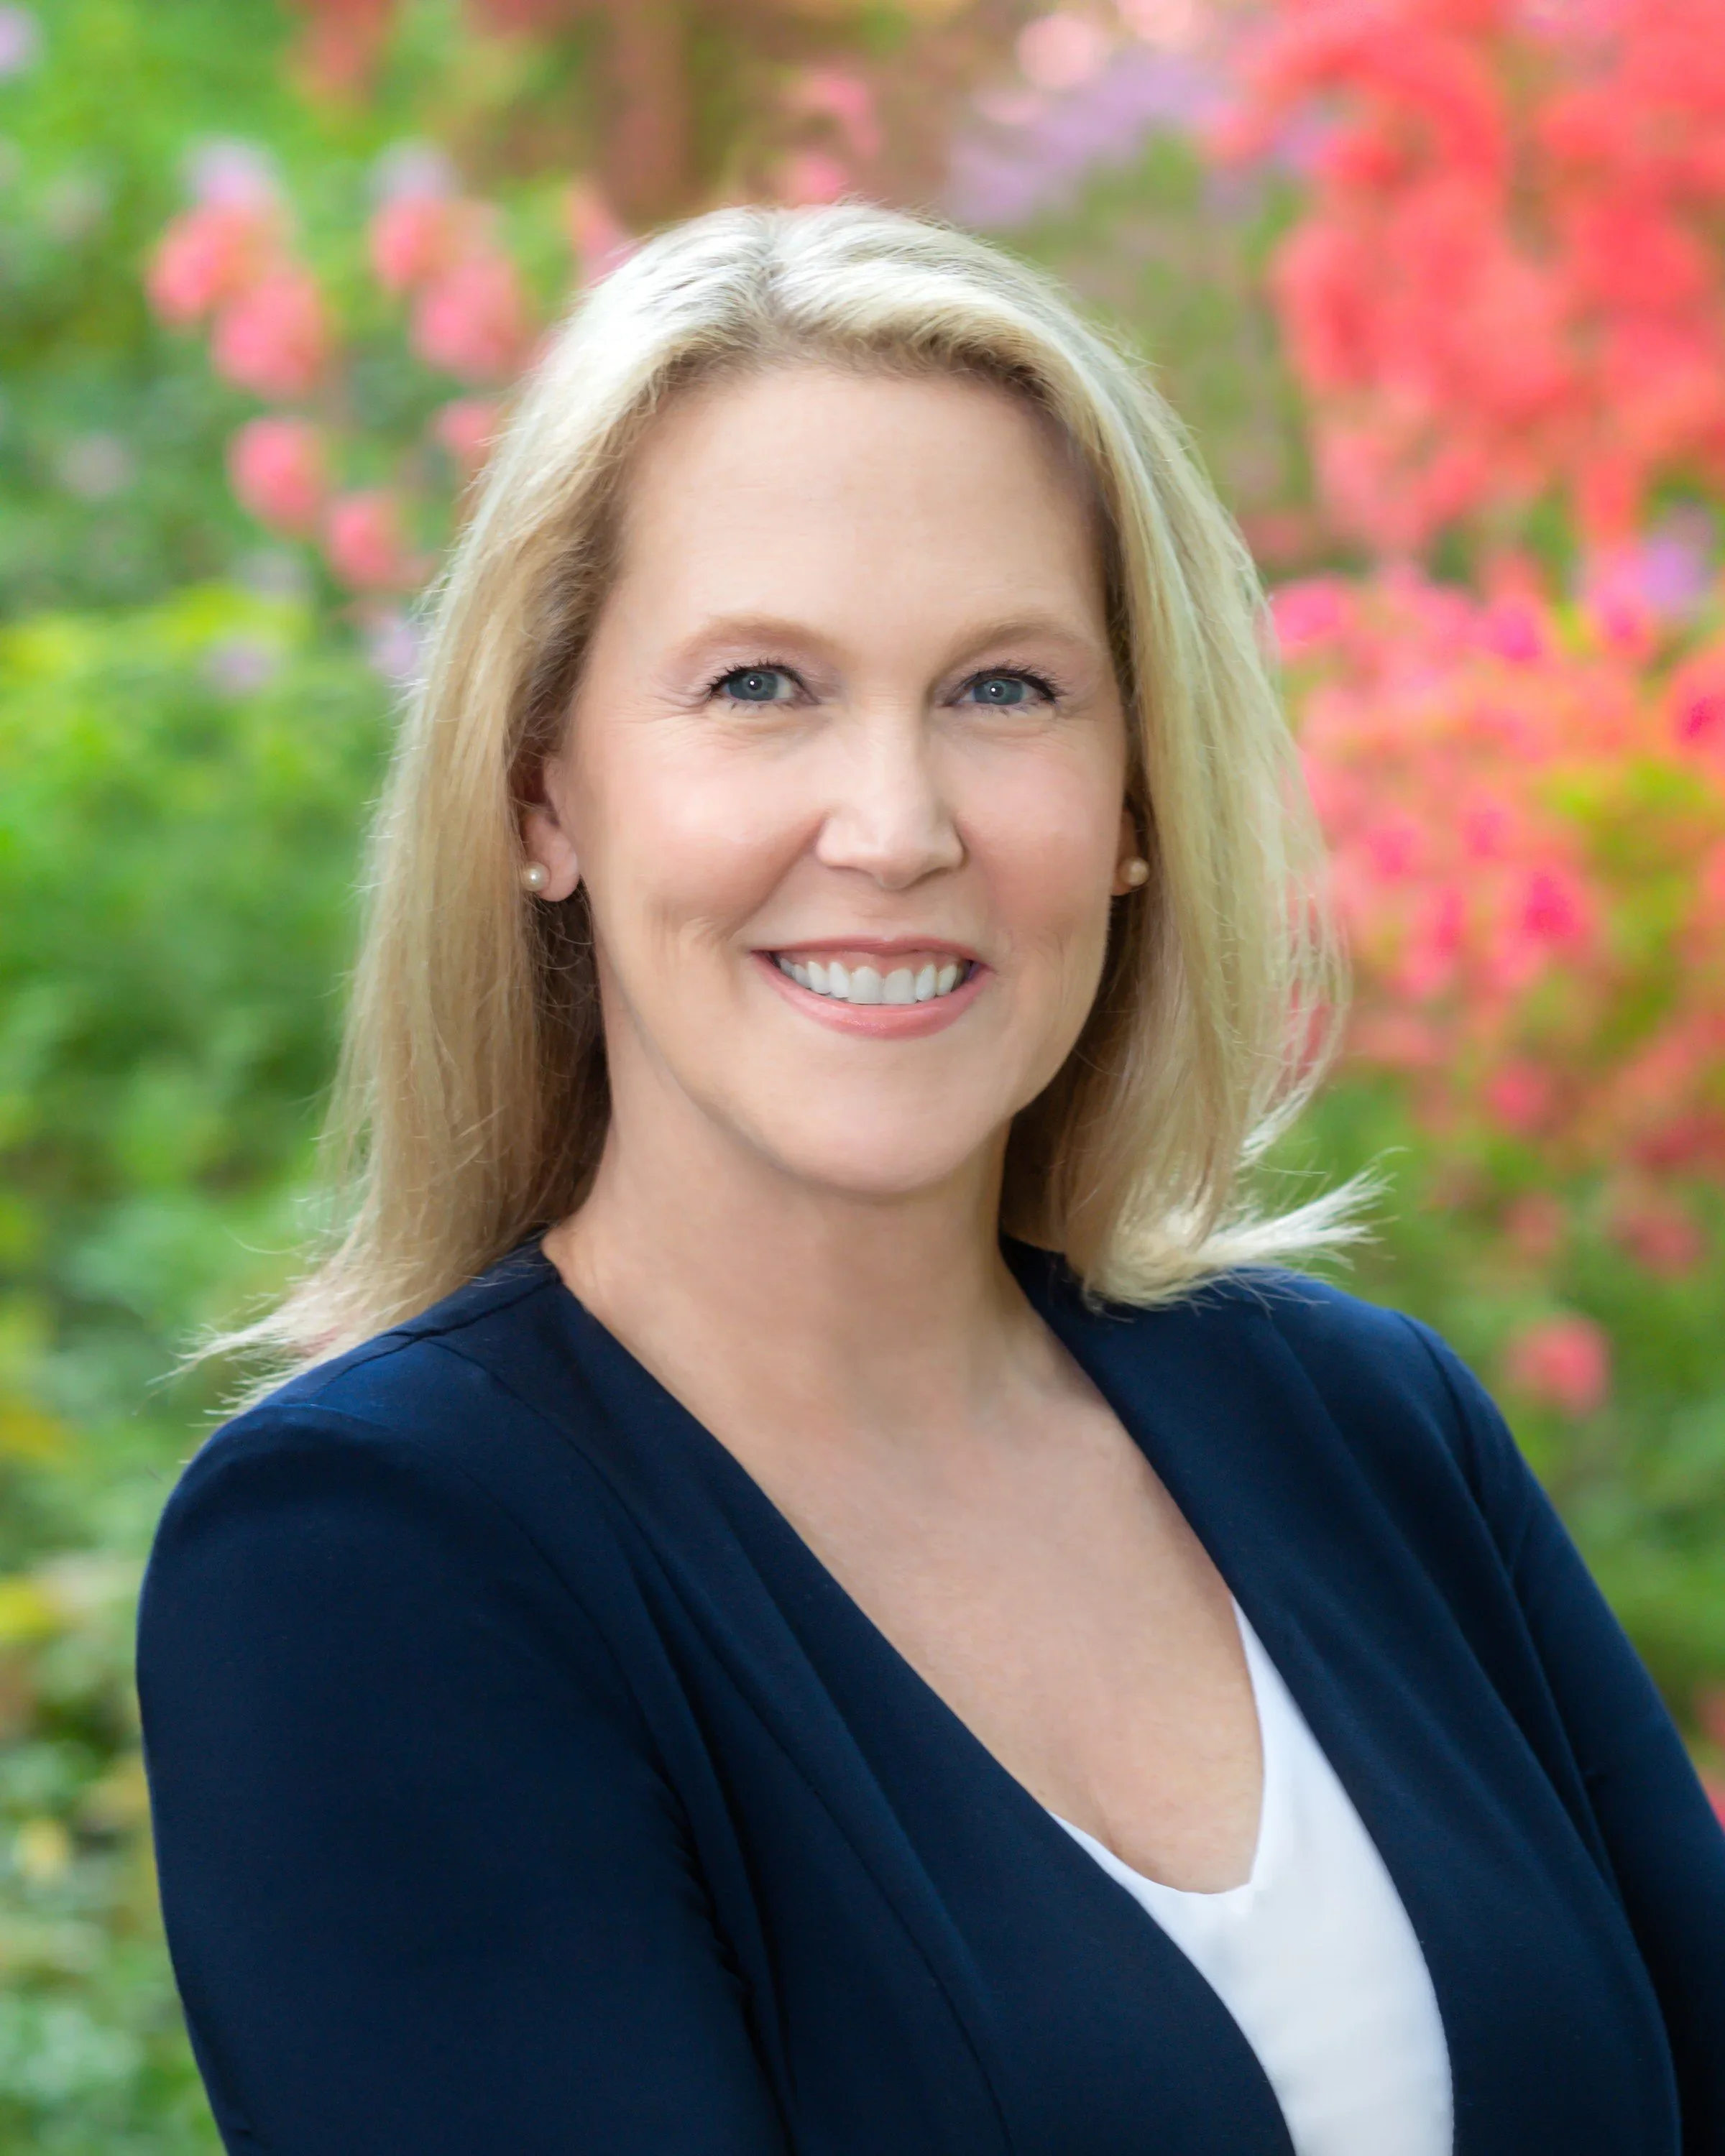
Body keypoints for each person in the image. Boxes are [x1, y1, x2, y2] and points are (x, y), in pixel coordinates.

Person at [136, 204, 1725, 2156]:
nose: (894, 827)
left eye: (1004, 692)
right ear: (543, 795)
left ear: (1137, 802)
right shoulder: (366, 1565)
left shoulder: (1361, 1427)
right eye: (757, 689)